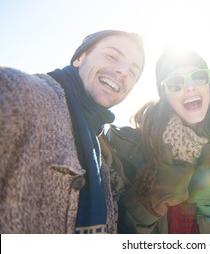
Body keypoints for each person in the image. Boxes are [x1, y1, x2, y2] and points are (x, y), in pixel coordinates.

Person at [0, 30, 145, 233]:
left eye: (133, 72)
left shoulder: (100, 154)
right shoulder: (23, 93)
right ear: (79, 58)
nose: (123, 71)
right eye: (112, 56)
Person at [110, 48, 210, 234]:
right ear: (165, 94)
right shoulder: (130, 147)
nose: (189, 87)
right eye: (175, 82)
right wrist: (148, 205)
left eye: (198, 77)